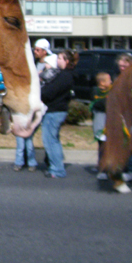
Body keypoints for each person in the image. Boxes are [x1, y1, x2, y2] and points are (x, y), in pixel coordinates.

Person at [13, 38, 55, 171]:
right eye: (35, 49)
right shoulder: (35, 63)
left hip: (42, 105)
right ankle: (25, 161)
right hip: (29, 103)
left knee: (31, 134)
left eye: (37, 50)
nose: (35, 52)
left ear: (44, 51)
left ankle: (36, 161)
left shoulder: (50, 65)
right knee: (25, 134)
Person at [41, 49, 78, 178]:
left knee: (50, 141)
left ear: (67, 61)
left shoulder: (64, 76)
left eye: (60, 58)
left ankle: (57, 169)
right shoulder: (65, 75)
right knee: (53, 139)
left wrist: (42, 91)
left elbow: (49, 92)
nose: (57, 60)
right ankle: (56, 166)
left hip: (55, 110)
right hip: (57, 110)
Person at [112, 52, 132, 182]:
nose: (122, 68)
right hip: (120, 115)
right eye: (120, 66)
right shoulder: (117, 76)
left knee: (131, 142)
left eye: (124, 66)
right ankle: (123, 168)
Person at [91, 71, 112, 179]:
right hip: (100, 123)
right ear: (102, 82)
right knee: (102, 145)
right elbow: (99, 104)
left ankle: (106, 166)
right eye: (109, 80)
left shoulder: (112, 90)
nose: (111, 82)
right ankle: (103, 168)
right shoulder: (96, 91)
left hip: (109, 122)